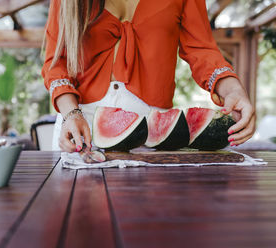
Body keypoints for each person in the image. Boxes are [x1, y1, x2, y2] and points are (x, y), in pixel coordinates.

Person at [42, 0, 255, 152]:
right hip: (78, 126)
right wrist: (71, 114)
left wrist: (233, 90)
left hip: (151, 134)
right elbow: (56, 63)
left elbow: (201, 49)